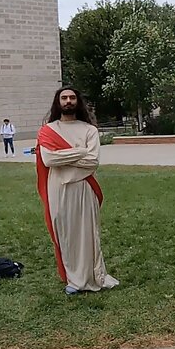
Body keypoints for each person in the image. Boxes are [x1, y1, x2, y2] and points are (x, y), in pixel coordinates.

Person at [36, 87, 117, 294]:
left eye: (72, 97)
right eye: (64, 98)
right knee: (65, 231)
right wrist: (80, 151)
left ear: (77, 102)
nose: (68, 101)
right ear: (58, 102)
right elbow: (49, 159)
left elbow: (93, 161)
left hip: (84, 187)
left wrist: (66, 156)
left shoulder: (89, 130)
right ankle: (74, 279)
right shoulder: (48, 130)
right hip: (58, 188)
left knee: (87, 231)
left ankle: (91, 276)